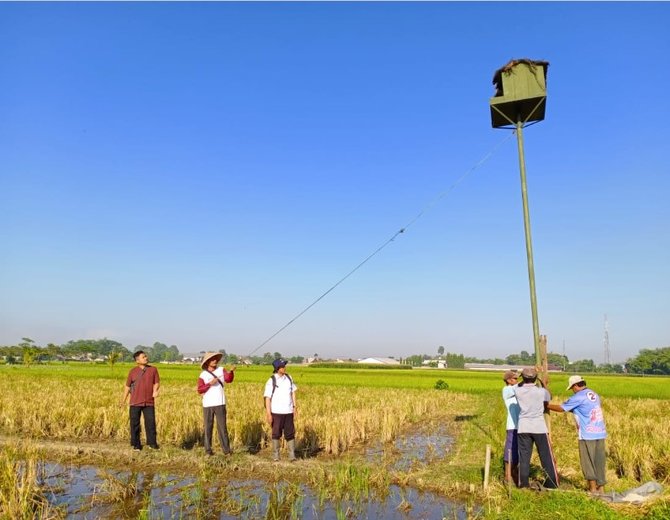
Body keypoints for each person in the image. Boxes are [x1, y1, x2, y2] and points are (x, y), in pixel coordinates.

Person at [548, 375, 607, 494]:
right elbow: (581, 409)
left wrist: (546, 405)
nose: (572, 390)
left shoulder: (578, 397)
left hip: (587, 434)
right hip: (600, 433)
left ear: (575, 386)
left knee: (587, 462)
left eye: (572, 388)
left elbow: (561, 408)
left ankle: (592, 489)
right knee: (599, 461)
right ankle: (601, 488)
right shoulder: (593, 394)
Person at [514, 366, 559, 489]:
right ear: (535, 379)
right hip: (539, 427)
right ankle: (552, 483)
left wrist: (524, 377)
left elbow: (518, 385)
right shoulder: (541, 391)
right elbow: (550, 396)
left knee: (524, 457)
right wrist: (543, 382)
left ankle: (523, 484)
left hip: (523, 427)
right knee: (546, 456)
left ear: (523, 378)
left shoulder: (518, 391)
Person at [197, 352, 235, 456]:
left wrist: (231, 372)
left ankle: (226, 450)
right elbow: (199, 390)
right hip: (207, 404)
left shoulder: (221, 370)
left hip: (220, 403)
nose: (214, 361)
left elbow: (228, 379)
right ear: (207, 362)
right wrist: (210, 383)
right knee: (208, 427)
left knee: (222, 427)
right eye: (212, 359)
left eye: (215, 359)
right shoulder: (203, 375)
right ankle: (208, 451)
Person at [121, 350, 160, 451]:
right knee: (135, 424)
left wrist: (155, 391)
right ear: (137, 360)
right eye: (143, 357)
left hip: (149, 402)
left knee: (150, 423)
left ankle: (152, 444)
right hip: (135, 402)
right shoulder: (132, 371)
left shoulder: (153, 369)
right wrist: (123, 400)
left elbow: (156, 382)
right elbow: (127, 387)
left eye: (146, 356)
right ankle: (136, 444)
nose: (146, 358)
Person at [263, 358, 298, 461]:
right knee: (276, 433)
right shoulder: (271, 380)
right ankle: (276, 456)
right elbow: (267, 398)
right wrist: (268, 414)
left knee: (290, 433)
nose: (284, 368)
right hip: (277, 412)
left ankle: (292, 456)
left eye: (284, 366)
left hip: (288, 411)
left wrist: (295, 407)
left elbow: (293, 393)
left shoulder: (289, 378)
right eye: (282, 366)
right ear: (277, 368)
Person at [501, 369, 520, 485]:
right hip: (512, 425)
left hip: (521, 425)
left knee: (518, 451)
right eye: (515, 379)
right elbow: (520, 387)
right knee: (510, 450)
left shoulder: (518, 390)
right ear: (508, 380)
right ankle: (507, 475)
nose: (517, 381)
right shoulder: (507, 390)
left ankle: (514, 472)